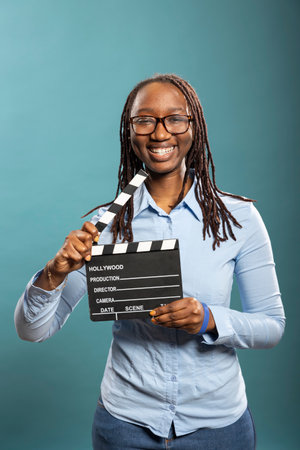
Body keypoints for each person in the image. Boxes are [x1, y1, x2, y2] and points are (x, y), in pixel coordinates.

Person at [14, 74, 285, 449]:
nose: (160, 133)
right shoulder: (105, 225)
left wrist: (209, 319)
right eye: (145, 120)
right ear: (129, 131)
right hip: (125, 423)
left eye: (175, 118)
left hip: (218, 425)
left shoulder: (237, 219)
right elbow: (32, 331)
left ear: (195, 127)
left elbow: (272, 326)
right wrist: (53, 273)